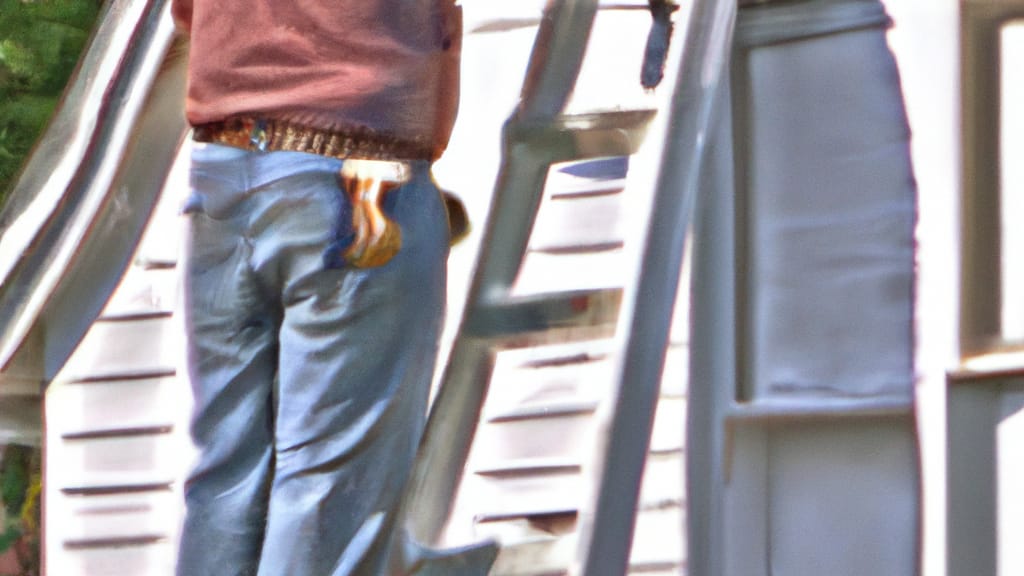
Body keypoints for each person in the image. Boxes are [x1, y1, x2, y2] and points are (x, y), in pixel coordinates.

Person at [169, 1, 462, 574]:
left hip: (226, 163)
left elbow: (189, 14)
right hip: (359, 172)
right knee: (330, 484)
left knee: (225, 475)